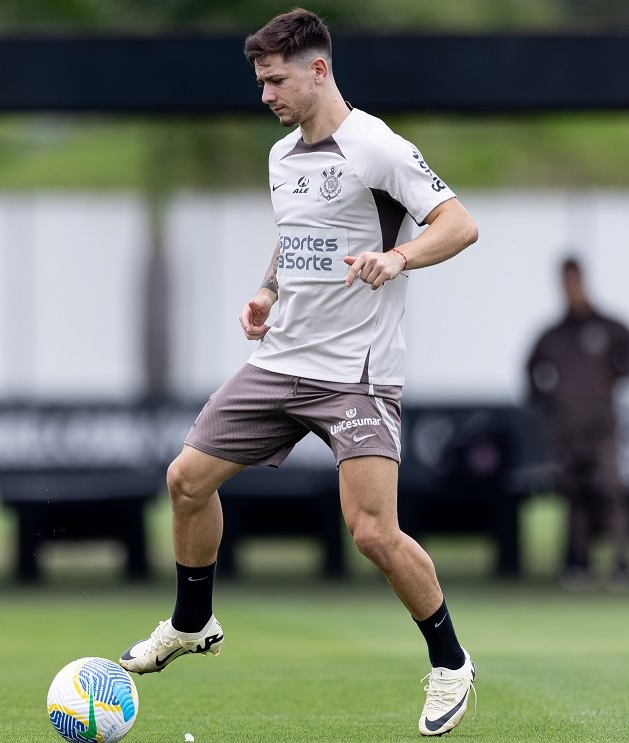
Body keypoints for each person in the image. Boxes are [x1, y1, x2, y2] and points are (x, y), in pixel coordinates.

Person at [117, 8, 479, 737]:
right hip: (280, 360)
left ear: (318, 70)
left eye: (276, 79)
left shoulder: (377, 147)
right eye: (260, 81)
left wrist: (399, 256)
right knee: (185, 479)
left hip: (357, 373)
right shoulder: (283, 157)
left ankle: (451, 661)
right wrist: (267, 292)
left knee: (373, 532)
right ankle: (194, 621)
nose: (265, 95)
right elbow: (299, 241)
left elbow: (458, 222)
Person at [526, 257, 629, 589]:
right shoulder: (554, 334)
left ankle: (620, 563)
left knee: (611, 491)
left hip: (601, 429)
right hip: (567, 432)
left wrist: (613, 377)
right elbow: (530, 370)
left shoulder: (607, 327)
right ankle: (577, 563)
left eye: (574, 281)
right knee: (575, 496)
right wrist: (548, 401)